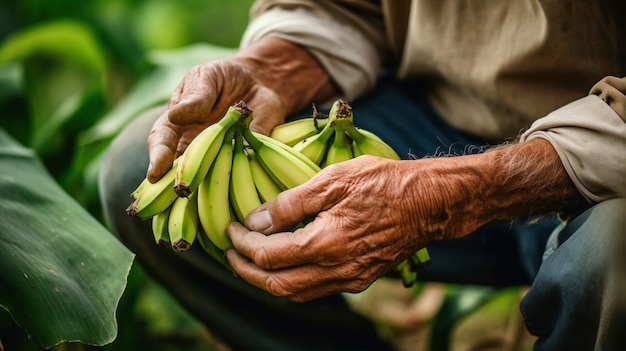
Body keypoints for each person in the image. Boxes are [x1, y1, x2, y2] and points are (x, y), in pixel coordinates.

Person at [99, 1, 626, 350]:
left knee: (613, 250)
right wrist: (275, 69)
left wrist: (450, 194)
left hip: (609, 157)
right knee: (144, 175)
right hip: (436, 116)